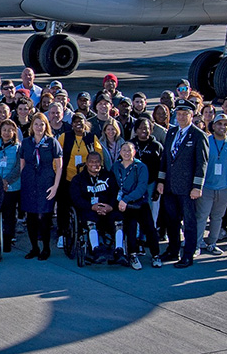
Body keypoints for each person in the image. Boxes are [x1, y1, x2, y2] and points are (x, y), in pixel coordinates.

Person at [156, 101, 209, 268]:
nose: (181, 117)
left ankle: (188, 254)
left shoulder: (198, 135)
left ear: (191, 115)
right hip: (170, 186)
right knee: (171, 220)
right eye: (178, 114)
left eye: (184, 114)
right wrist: (161, 181)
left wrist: (197, 187)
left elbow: (202, 164)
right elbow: (165, 159)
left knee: (189, 222)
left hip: (187, 188)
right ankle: (173, 250)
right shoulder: (171, 133)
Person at [19, 114, 61, 259]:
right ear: (32, 126)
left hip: (46, 182)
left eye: (42, 124)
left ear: (46, 126)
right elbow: (22, 164)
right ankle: (34, 248)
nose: (39, 127)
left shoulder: (52, 142)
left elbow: (59, 166)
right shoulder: (26, 143)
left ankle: (46, 248)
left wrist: (55, 185)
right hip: (30, 182)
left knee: (44, 217)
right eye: (36, 124)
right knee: (31, 217)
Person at [195, 114, 227, 257]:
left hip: (225, 188)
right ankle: (197, 244)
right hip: (206, 187)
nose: (222, 127)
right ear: (213, 126)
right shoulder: (206, 141)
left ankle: (212, 243)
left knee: (217, 217)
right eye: (219, 124)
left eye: (225, 124)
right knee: (202, 216)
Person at [56, 115, 101, 250]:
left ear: (85, 123)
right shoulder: (64, 137)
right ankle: (62, 234)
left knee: (84, 205)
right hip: (67, 178)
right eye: (75, 122)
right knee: (63, 207)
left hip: (85, 180)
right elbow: (57, 156)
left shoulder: (91, 138)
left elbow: (99, 156)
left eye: (80, 122)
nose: (78, 125)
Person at [69, 152, 122, 265]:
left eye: (97, 162)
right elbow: (76, 198)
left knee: (118, 218)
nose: (95, 164)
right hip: (89, 210)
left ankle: (119, 250)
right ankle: (95, 249)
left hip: (107, 209)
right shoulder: (78, 179)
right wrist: (91, 206)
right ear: (86, 163)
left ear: (101, 163)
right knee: (90, 219)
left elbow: (115, 193)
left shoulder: (109, 176)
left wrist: (110, 206)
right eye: (92, 162)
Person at [114, 141, 160, 269]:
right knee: (131, 227)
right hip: (124, 205)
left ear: (134, 152)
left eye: (129, 150)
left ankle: (156, 255)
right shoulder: (116, 166)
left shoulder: (141, 167)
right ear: (120, 152)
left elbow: (141, 188)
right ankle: (132, 255)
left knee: (150, 227)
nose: (126, 153)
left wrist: (126, 199)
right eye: (124, 150)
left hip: (139, 202)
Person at [0, 119, 21, 252]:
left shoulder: (18, 147)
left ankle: (8, 239)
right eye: (4, 130)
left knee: (9, 214)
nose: (7, 133)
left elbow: (19, 167)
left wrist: (7, 180)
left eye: (10, 130)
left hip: (12, 186)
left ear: (14, 132)